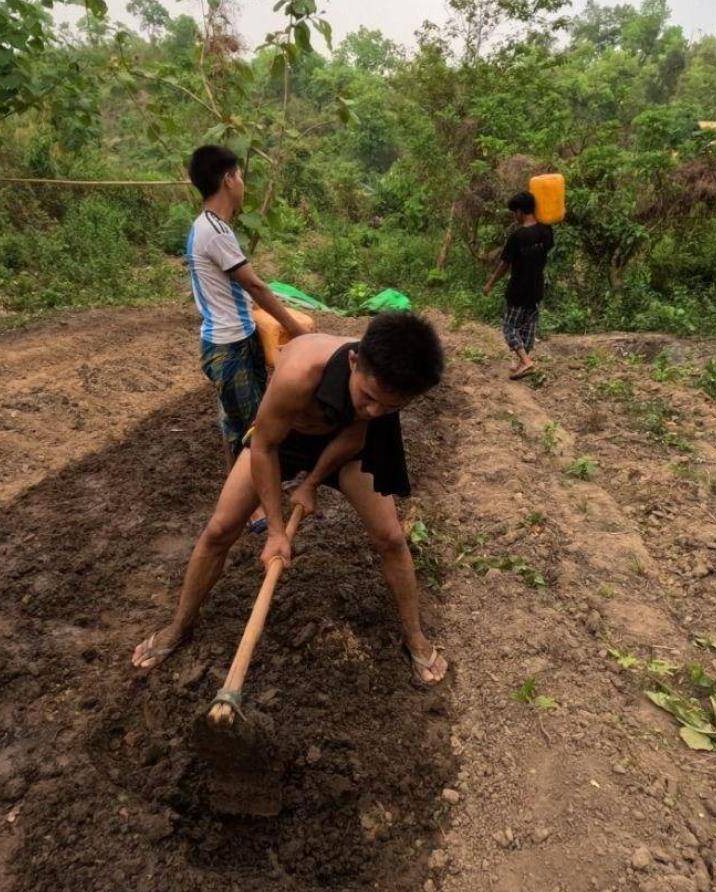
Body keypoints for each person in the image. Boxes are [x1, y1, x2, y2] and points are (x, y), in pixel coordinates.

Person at [132, 312, 449, 684]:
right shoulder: (299, 373)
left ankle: (414, 636)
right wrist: (276, 532)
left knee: (391, 538)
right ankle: (178, 626)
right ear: (352, 363)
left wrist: (312, 482)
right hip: (282, 441)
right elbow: (264, 447)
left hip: (344, 442)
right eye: (369, 397)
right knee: (219, 530)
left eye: (391, 407)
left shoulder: (382, 392)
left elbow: (359, 429)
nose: (376, 410)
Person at [186, 144, 308, 533]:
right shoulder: (214, 230)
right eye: (239, 176)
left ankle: (243, 500)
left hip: (234, 339)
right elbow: (255, 285)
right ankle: (255, 509)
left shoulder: (209, 227)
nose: (242, 184)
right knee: (259, 429)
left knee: (235, 425)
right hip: (230, 346)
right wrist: (298, 328)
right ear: (227, 178)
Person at [482, 191, 555, 380]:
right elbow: (547, 246)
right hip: (537, 289)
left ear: (522, 211)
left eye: (515, 212)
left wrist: (489, 284)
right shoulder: (546, 231)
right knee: (528, 327)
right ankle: (522, 362)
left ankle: (526, 361)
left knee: (509, 327)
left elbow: (504, 265)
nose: (515, 216)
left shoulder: (517, 236)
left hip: (517, 290)